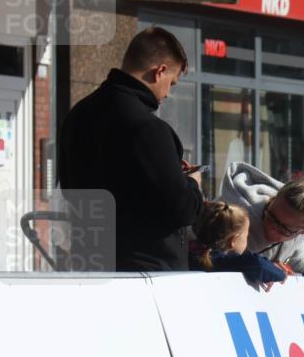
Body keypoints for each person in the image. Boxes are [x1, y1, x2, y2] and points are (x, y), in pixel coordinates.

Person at [58, 26, 202, 271]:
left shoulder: (77, 115)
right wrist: (192, 184)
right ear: (160, 71)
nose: (168, 93)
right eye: (171, 83)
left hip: (91, 263)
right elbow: (181, 208)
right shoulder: (148, 128)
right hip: (146, 272)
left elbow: (70, 190)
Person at [219, 163, 304, 285]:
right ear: (274, 199)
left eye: (282, 229)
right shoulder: (237, 213)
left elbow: (292, 250)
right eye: (270, 216)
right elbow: (214, 255)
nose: (271, 228)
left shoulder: (300, 230)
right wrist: (263, 265)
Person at [190, 201, 287, 288]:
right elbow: (259, 265)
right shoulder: (227, 263)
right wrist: (281, 273)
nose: (247, 240)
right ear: (233, 240)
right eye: (246, 235)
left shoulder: (190, 252)